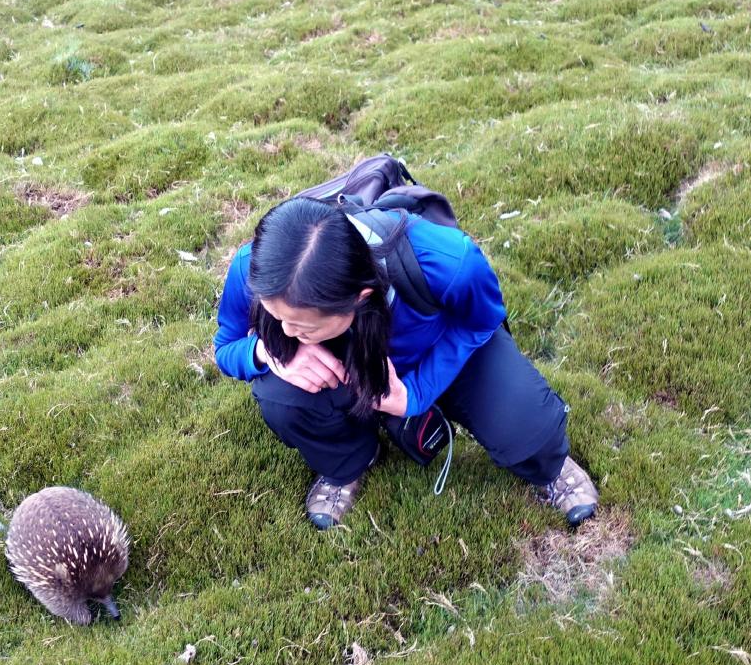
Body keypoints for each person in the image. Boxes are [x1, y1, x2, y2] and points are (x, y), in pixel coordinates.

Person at [213, 196, 598, 530]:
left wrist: (414, 394)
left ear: (360, 297)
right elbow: (226, 346)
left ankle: (548, 464)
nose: (285, 330)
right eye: (275, 317)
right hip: (349, 371)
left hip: (443, 350)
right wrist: (268, 353)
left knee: (523, 422)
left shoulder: (448, 261)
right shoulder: (255, 267)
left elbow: (481, 321)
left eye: (302, 325)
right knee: (281, 396)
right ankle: (347, 463)